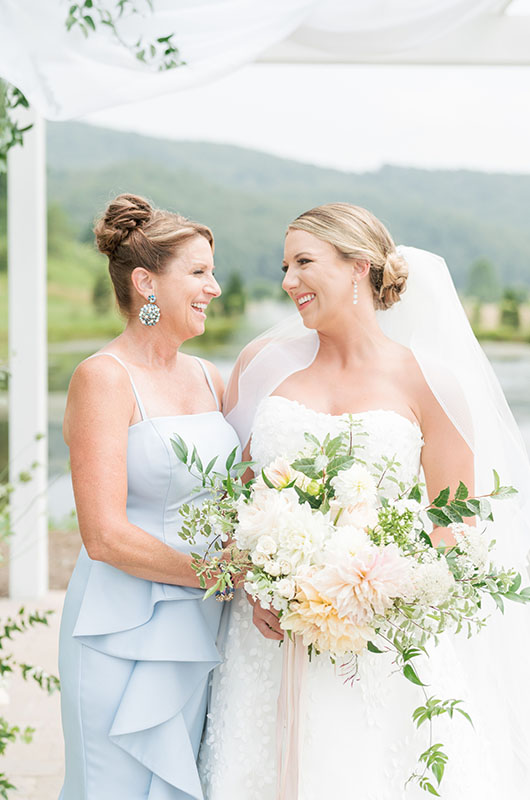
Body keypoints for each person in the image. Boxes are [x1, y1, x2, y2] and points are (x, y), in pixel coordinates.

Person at [199, 203, 530, 799]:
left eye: (304, 262)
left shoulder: (429, 381)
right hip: (268, 641)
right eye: (283, 265)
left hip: (379, 637)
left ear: (358, 267)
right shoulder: (260, 367)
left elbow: (455, 521)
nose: (287, 282)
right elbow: (236, 498)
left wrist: (382, 582)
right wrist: (253, 580)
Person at [58, 193, 240, 800]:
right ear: (146, 283)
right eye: (198, 272)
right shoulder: (104, 378)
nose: (214, 286)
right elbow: (103, 535)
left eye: (211, 270)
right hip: (120, 627)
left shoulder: (212, 378)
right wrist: (220, 575)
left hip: (200, 626)